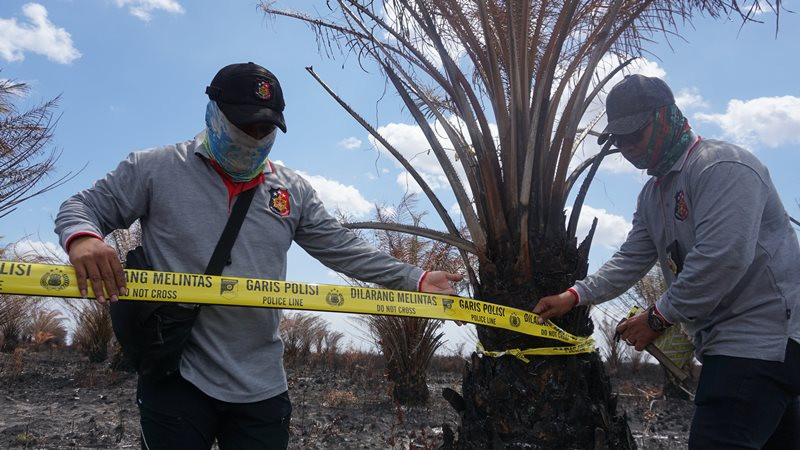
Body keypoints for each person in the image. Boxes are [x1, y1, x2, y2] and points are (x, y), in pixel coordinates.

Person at [54, 62, 463, 450]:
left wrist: (416, 278)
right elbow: (82, 207)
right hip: (177, 374)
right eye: (244, 125)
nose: (254, 138)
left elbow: (343, 247)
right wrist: (84, 240)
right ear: (213, 113)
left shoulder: (292, 191)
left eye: (265, 128)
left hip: (261, 385)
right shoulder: (154, 168)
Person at [533, 74, 800, 449]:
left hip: (759, 343)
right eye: (618, 140)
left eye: (635, 134)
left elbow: (722, 259)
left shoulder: (722, 167)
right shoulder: (653, 195)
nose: (627, 148)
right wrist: (574, 296)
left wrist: (657, 318)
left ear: (668, 118)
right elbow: (630, 257)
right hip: (734, 347)